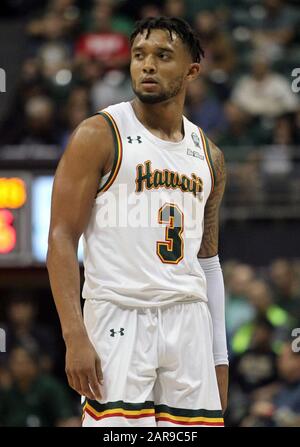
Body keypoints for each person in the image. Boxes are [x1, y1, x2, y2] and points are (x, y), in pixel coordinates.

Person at [47, 16, 228, 427]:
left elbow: (208, 262)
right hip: (118, 313)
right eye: (139, 56)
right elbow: (61, 238)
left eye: (163, 56)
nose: (147, 65)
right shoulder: (98, 134)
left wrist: (219, 357)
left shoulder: (211, 155)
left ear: (191, 70)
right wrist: (74, 334)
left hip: (188, 321)